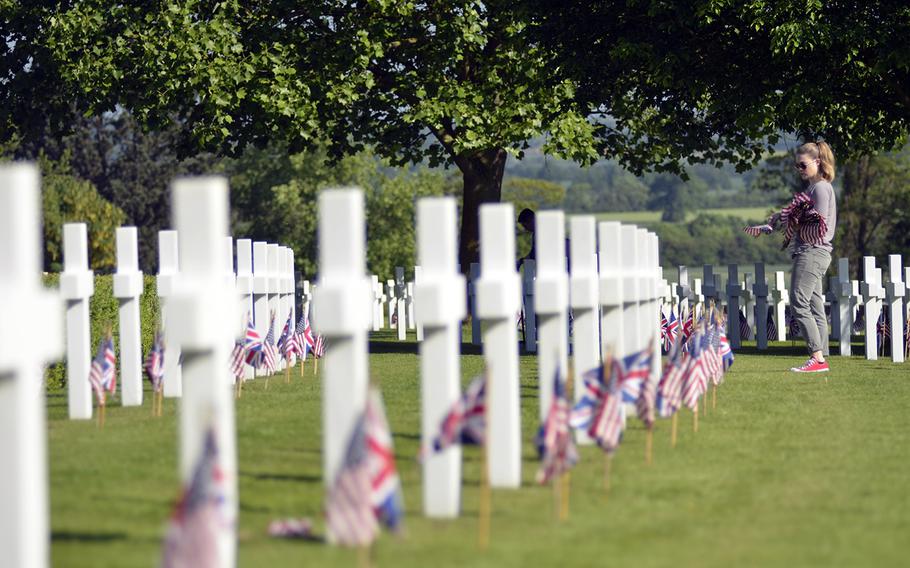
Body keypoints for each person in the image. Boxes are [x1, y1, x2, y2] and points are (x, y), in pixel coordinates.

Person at [746, 141, 837, 373]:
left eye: (802, 164)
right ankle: (821, 357)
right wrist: (780, 217)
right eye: (797, 166)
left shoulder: (821, 189)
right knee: (815, 305)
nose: (799, 169)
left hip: (812, 251)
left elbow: (820, 224)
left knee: (798, 302)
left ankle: (817, 359)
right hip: (813, 251)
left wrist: (792, 219)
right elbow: (805, 217)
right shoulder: (813, 189)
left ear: (817, 162)